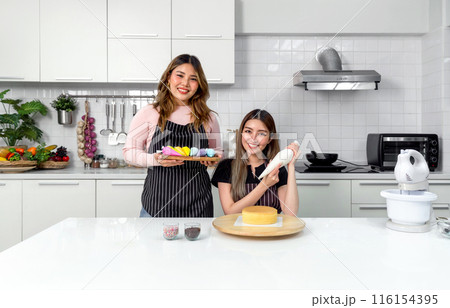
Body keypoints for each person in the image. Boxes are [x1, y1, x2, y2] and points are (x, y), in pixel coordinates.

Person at [123, 54, 221, 217]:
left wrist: (214, 158)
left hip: (199, 206)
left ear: (199, 85)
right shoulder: (150, 113)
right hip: (157, 205)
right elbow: (129, 152)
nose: (185, 83)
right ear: (168, 77)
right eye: (180, 75)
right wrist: (155, 159)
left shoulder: (208, 117)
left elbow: (217, 150)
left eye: (193, 79)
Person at [211, 109, 299, 216]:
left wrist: (291, 166)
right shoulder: (226, 167)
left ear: (270, 139)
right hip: (239, 231)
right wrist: (265, 184)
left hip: (271, 230)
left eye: (261, 133)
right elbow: (229, 212)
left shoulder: (277, 167)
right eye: (248, 131)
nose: (253, 138)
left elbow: (291, 213)